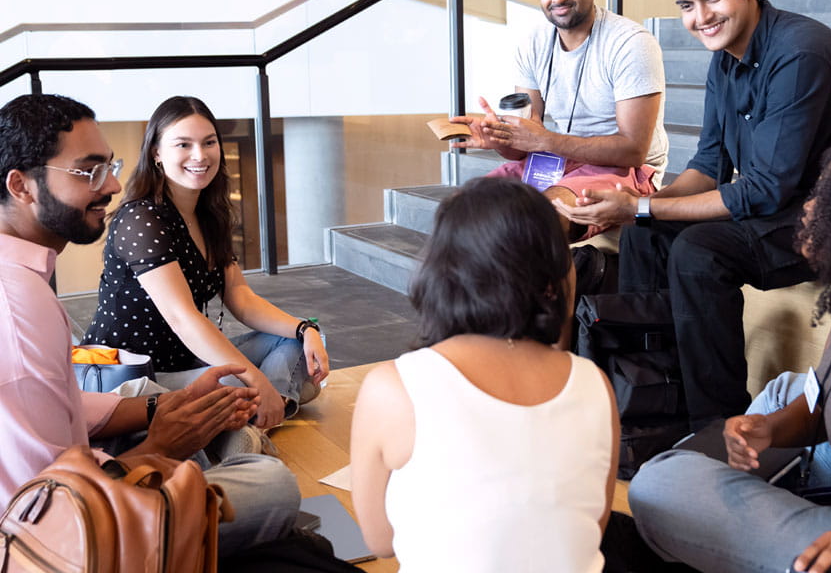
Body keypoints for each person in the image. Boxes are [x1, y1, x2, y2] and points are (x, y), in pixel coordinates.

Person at [553, 0, 831, 428]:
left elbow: (765, 188)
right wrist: (633, 203)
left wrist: (641, 205)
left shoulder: (799, 52)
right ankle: (650, 393)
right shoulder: (724, 60)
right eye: (686, 6)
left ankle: (715, 427)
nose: (701, 18)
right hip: (785, 205)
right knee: (643, 238)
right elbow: (708, 165)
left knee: (699, 254)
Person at [0, 93, 298, 555]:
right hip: (54, 534)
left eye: (111, 165)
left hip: (131, 415)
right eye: (90, 170)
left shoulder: (26, 283)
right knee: (272, 484)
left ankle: (234, 434)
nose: (112, 185)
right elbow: (46, 514)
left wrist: (163, 410)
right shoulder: (19, 305)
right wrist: (161, 447)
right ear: (21, 186)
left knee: (242, 375)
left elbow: (57, 406)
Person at [627, 135, 831, 573]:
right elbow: (820, 400)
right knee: (783, 392)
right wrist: (770, 429)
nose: (808, 209)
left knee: (658, 484)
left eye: (825, 197)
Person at [350, 177, 620, 572]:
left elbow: (380, 541)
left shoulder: (394, 386)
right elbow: (589, 528)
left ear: (441, 269)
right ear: (557, 273)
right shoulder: (595, 384)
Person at [83, 96, 329, 429]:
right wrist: (256, 380)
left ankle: (264, 410)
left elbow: (240, 296)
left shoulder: (209, 213)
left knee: (295, 345)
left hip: (189, 361)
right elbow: (183, 318)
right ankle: (268, 403)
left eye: (209, 142)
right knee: (239, 388)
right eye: (183, 144)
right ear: (156, 152)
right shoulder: (141, 219)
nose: (200, 155)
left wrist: (306, 328)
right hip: (137, 377)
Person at [450, 0, 668, 239]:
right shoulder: (534, 43)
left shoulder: (630, 43)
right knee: (462, 212)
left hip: (624, 169)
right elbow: (525, 142)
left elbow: (632, 150)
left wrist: (547, 140)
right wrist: (498, 138)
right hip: (556, 160)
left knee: (535, 223)